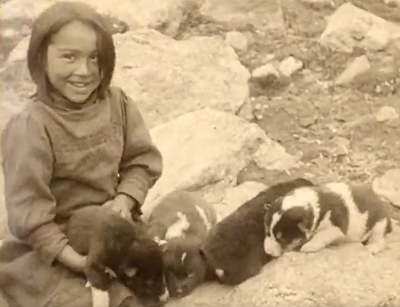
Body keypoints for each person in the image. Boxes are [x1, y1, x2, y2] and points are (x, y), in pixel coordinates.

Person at [0, 2, 163, 307]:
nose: (84, 71)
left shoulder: (118, 104)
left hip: (111, 232)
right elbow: (31, 217)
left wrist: (124, 200)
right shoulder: (30, 127)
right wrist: (80, 262)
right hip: (51, 251)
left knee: (161, 282)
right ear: (40, 59)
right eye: (68, 57)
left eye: (94, 57)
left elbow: (142, 162)